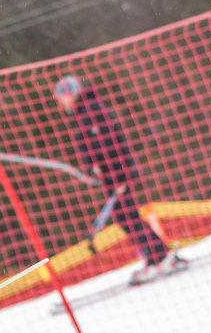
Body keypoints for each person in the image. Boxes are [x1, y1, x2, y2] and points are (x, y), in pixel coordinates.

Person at [53, 74, 184, 284]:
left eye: (62, 98)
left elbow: (109, 145)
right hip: (111, 175)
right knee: (125, 217)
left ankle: (160, 257)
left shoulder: (91, 112)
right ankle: (156, 256)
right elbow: (94, 149)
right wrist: (92, 167)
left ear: (70, 94)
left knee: (126, 217)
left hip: (116, 175)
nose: (61, 103)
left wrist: (118, 177)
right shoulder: (84, 113)